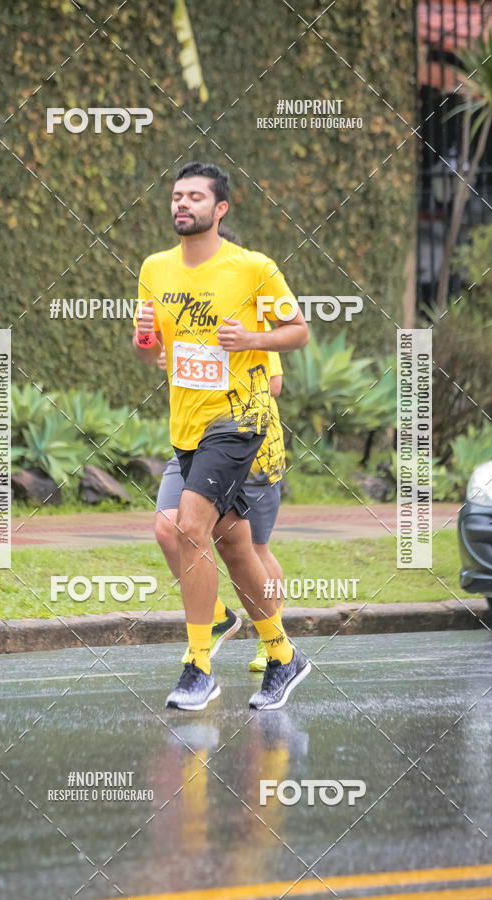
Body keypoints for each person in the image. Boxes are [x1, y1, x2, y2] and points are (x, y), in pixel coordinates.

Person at [133, 161, 309, 711]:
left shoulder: (253, 268)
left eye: (194, 197)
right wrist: (150, 346)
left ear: (220, 209)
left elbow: (298, 330)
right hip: (187, 423)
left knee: (188, 527)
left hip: (240, 418)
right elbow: (158, 343)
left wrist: (251, 337)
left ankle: (198, 666)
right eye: (176, 195)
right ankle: (283, 654)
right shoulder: (154, 268)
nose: (182, 204)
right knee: (232, 545)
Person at [153, 227, 286, 674]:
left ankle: (274, 641)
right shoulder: (176, 303)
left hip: (248, 441)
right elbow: (155, 353)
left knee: (252, 548)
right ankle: (215, 618)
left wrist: (236, 349)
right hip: (191, 439)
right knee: (170, 528)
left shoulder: (250, 308)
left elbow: (274, 381)